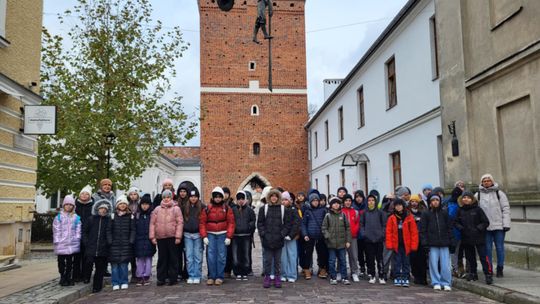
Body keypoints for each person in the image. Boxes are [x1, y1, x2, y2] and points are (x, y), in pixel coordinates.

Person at [476, 174, 510, 278]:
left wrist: (506, 223)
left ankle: (500, 268)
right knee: (488, 249)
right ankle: (489, 269)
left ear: (492, 181)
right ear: (482, 183)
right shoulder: (478, 195)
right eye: (484, 181)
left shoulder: (499, 193)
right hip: (485, 228)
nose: (486, 182)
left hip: (499, 226)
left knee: (500, 248)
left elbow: (505, 209)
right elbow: (475, 211)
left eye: (488, 180)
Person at [455, 191, 492, 284]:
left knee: (483, 257)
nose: (466, 199)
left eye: (468, 197)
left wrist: (478, 229)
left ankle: (488, 274)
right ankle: (473, 273)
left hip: (478, 237)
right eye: (464, 197)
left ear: (472, 199)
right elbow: (455, 222)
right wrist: (461, 228)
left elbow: (485, 222)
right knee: (470, 257)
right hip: (466, 237)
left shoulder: (478, 210)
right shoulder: (460, 210)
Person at [200, 187, 235, 286]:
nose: (218, 199)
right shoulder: (207, 208)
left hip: (222, 234)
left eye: (220, 197)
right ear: (213, 197)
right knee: (211, 256)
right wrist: (204, 236)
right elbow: (202, 223)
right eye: (216, 197)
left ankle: (220, 276)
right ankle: (211, 276)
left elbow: (231, 223)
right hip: (210, 234)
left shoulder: (227, 208)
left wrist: (229, 236)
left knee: (222, 256)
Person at [257, 188, 292, 288]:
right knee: (267, 260)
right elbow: (260, 223)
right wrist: (263, 234)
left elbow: (287, 224)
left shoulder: (283, 209)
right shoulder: (264, 208)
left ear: (278, 197)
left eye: (275, 196)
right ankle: (267, 277)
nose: (274, 198)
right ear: (269, 197)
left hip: (278, 239)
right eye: (272, 196)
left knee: (277, 261)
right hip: (267, 239)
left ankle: (277, 277)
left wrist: (282, 234)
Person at [150, 190, 183, 286]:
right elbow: (152, 224)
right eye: (164, 197)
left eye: (168, 197)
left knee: (173, 258)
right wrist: (152, 236)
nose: (166, 199)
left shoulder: (176, 209)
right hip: (161, 237)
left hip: (172, 237)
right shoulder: (157, 209)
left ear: (171, 197)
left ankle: (173, 277)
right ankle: (161, 278)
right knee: (162, 258)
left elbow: (180, 223)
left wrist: (178, 236)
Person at [421, 195, 453, 291]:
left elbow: (449, 228)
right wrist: (425, 242)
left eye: (437, 200)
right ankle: (436, 281)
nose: (435, 202)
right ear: (430, 202)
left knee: (446, 264)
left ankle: (446, 282)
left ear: (440, 201)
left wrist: (451, 240)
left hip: (444, 242)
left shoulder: (444, 213)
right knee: (433, 264)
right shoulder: (426, 214)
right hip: (432, 243)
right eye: (433, 200)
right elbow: (423, 229)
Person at [386, 198, 418, 287]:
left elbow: (414, 232)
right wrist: (389, 244)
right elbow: (389, 232)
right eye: (396, 205)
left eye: (400, 205)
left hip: (406, 244)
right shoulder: (392, 218)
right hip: (396, 244)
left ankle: (405, 277)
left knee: (406, 261)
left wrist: (413, 245)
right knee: (397, 262)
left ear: (403, 206)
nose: (398, 207)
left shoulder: (409, 217)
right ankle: (397, 277)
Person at [107, 195, 136, 291]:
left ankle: (124, 281)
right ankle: (115, 282)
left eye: (124, 204)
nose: (122, 205)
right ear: (117, 205)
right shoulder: (112, 216)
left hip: (126, 244)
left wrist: (131, 240)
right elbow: (108, 230)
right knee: (114, 266)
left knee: (124, 265)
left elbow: (133, 230)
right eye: (121, 203)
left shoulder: (130, 216)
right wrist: (110, 241)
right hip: (114, 244)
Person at [83, 199, 112, 293]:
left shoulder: (108, 221)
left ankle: (97, 286)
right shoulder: (91, 219)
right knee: (88, 263)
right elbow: (84, 232)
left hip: (103, 249)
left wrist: (108, 243)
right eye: (101, 208)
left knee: (100, 269)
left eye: (105, 209)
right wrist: (86, 242)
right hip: (91, 247)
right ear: (97, 209)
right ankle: (86, 276)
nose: (103, 210)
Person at [53, 195, 81, 286]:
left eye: (70, 205)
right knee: (61, 262)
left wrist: (77, 238)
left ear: (73, 206)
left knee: (70, 262)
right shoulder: (59, 217)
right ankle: (62, 276)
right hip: (61, 243)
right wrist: (57, 240)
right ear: (64, 205)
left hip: (71, 243)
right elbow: (56, 229)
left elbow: (78, 229)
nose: (68, 206)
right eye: (67, 204)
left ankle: (68, 276)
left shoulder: (76, 217)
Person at [322, 197, 352, 285]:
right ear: (331, 205)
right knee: (331, 261)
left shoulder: (343, 215)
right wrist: (328, 237)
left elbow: (348, 228)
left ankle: (344, 277)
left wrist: (348, 241)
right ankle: (333, 277)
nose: (336, 205)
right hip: (331, 244)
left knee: (343, 260)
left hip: (342, 243)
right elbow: (324, 228)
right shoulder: (328, 216)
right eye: (334, 203)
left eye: (337, 203)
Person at [301, 193, 328, 280]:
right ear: (310, 201)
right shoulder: (307, 211)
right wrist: (305, 234)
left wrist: (325, 233)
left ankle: (322, 268)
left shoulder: (323, 210)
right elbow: (304, 224)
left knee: (322, 253)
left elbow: (327, 223)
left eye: (317, 200)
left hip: (321, 236)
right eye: (313, 201)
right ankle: (307, 269)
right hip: (310, 236)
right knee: (308, 253)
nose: (315, 202)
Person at [361, 194, 387, 284]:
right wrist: (364, 234)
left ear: (375, 202)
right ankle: (372, 275)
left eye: (372, 200)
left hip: (379, 239)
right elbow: (362, 225)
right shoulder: (364, 213)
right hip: (368, 239)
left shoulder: (380, 213)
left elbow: (384, 225)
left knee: (379, 258)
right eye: (369, 200)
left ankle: (381, 275)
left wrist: (382, 234)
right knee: (370, 259)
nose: (371, 202)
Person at [232, 191, 256, 281]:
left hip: (246, 236)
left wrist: (249, 228)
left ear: (245, 199)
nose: (241, 201)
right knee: (236, 255)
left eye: (242, 199)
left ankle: (245, 271)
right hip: (235, 236)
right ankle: (237, 272)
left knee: (245, 255)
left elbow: (253, 220)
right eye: (239, 199)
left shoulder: (249, 210)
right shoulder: (233, 210)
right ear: (236, 200)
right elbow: (231, 221)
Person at [183, 187, 204, 284]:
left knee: (198, 256)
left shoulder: (202, 207)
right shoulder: (185, 207)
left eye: (195, 196)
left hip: (198, 235)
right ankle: (191, 275)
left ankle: (197, 275)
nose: (193, 198)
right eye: (191, 196)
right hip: (187, 235)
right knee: (189, 257)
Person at [74, 185, 94, 283]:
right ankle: (76, 275)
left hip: (89, 233)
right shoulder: (74, 205)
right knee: (77, 256)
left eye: (87, 194)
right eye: (83, 193)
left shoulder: (93, 205)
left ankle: (86, 275)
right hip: (76, 233)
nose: (84, 195)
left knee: (88, 256)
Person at [134, 194, 156, 286]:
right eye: (143, 204)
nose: (144, 206)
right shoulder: (137, 215)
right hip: (138, 240)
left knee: (148, 259)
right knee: (140, 259)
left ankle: (146, 276)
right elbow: (134, 227)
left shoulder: (152, 215)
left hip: (149, 239)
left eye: (147, 204)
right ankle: (139, 276)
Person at [280, 191, 301, 283]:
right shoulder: (280, 210)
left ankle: (292, 274)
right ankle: (283, 274)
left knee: (292, 256)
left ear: (289, 200)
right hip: (282, 237)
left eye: (285, 200)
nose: (284, 202)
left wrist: (291, 235)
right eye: (282, 200)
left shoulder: (294, 210)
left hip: (291, 237)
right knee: (283, 257)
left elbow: (296, 224)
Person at [408, 194, 428, 285]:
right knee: (413, 258)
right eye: (412, 201)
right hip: (411, 238)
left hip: (421, 237)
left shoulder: (423, 211)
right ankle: (416, 276)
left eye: (416, 201)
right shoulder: (407, 212)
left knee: (422, 258)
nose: (414, 203)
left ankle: (423, 277)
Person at [342, 194, 360, 282]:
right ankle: (341, 272)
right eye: (346, 201)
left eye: (349, 201)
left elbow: (357, 224)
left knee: (353, 256)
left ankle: (354, 272)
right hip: (342, 238)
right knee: (341, 256)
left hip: (353, 237)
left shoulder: (355, 212)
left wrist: (354, 232)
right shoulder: (341, 211)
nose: (348, 202)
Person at [447, 186, 463, 278]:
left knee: (455, 252)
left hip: (456, 232)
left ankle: (455, 268)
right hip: (456, 233)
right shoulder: (455, 206)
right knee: (455, 252)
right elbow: (452, 219)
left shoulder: (449, 204)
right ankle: (455, 269)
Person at [127, 187, 140, 283]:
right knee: (131, 254)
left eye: (135, 194)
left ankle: (140, 272)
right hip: (129, 231)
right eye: (131, 194)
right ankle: (134, 272)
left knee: (138, 253)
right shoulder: (126, 205)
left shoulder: (140, 205)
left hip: (139, 231)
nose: (133, 196)